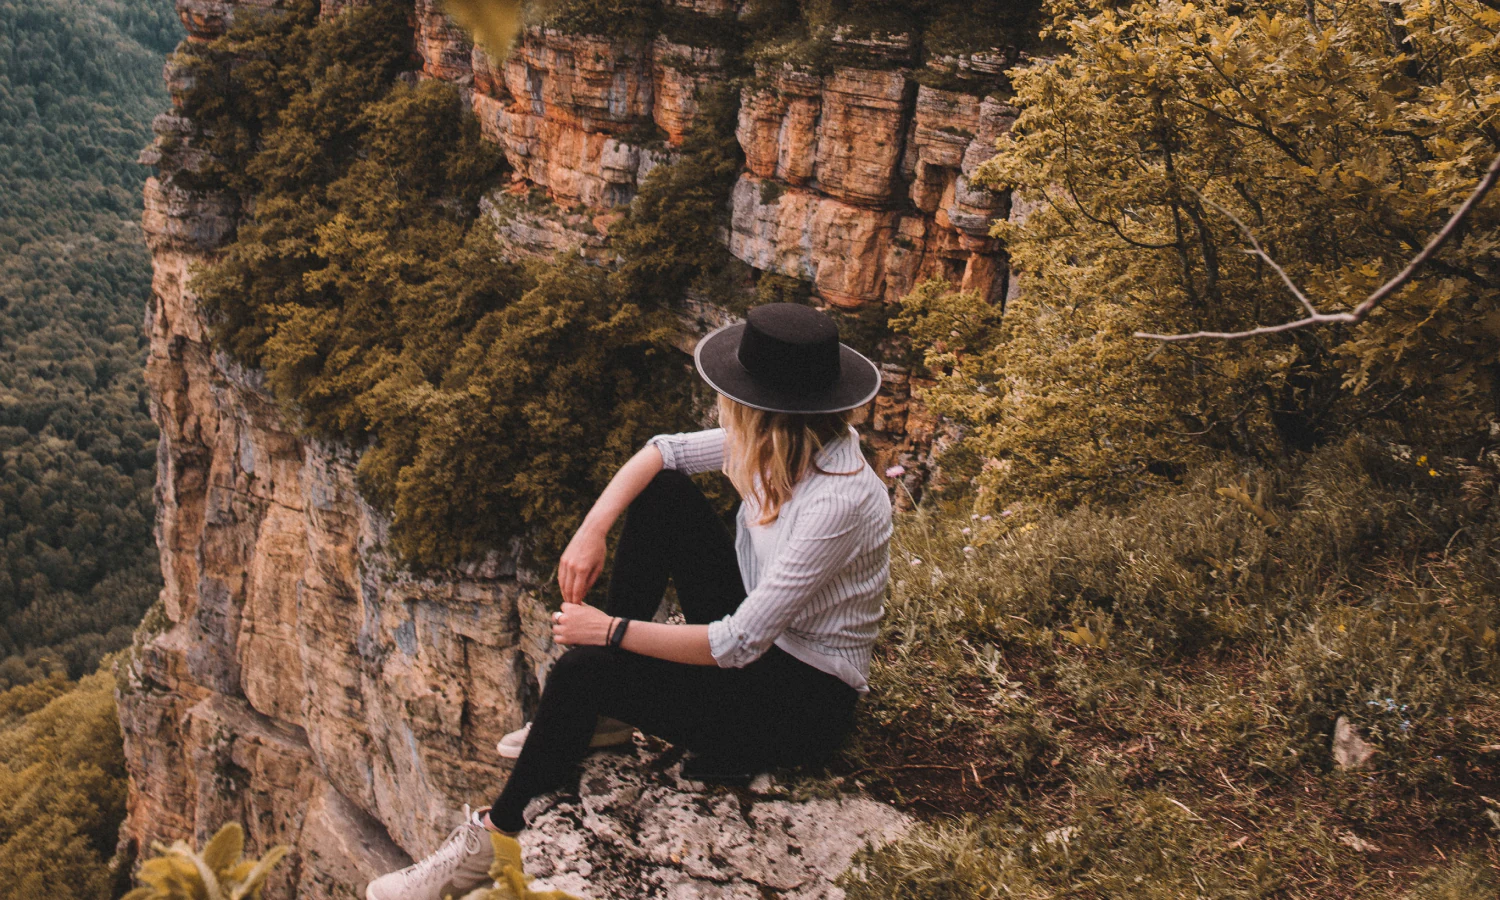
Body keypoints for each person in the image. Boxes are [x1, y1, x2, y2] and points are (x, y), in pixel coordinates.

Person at [365, 303, 892, 900]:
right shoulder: (782, 443)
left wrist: (609, 630)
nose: (724, 403)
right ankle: (607, 717)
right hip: (765, 642)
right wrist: (590, 530)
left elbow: (738, 642)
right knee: (663, 493)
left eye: (734, 395)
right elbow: (663, 451)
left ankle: (496, 836)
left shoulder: (838, 502)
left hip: (797, 705)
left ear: (761, 410)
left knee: (584, 669)